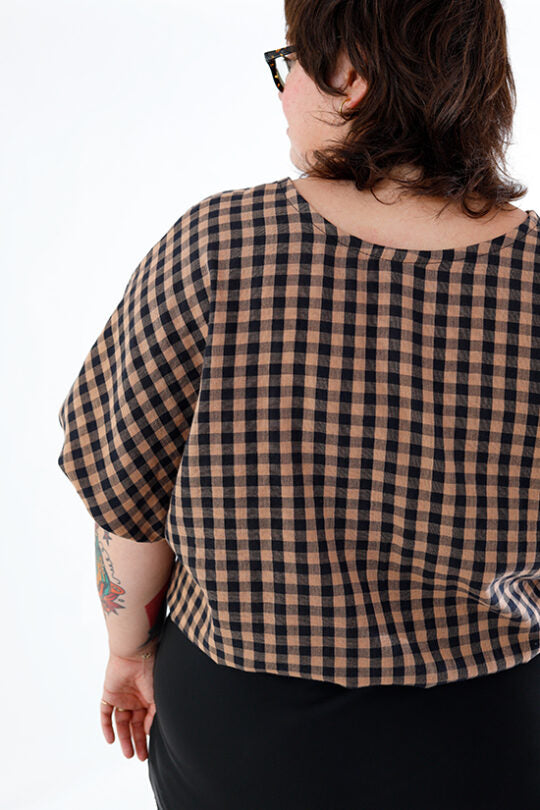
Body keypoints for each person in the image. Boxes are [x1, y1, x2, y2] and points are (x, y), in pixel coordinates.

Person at [57, 1, 540, 808]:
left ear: (350, 74)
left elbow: (126, 504)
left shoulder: (217, 245)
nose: (284, 93)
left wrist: (127, 649)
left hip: (244, 733)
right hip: (487, 732)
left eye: (293, 63)